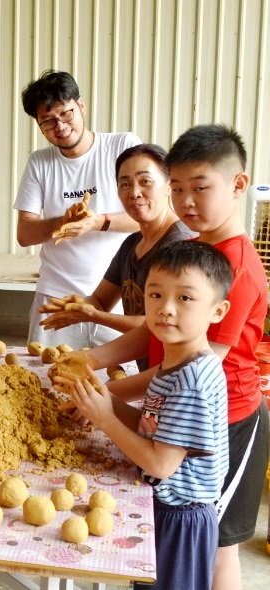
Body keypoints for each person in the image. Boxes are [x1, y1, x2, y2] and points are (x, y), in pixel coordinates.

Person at [64, 125, 270, 590]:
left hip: (227, 421)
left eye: (200, 188)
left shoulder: (234, 266)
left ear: (238, 185)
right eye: (177, 189)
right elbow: (154, 332)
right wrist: (91, 363)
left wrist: (107, 398)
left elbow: (189, 366)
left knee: (218, 547)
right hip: (173, 409)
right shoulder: (191, 250)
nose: (186, 202)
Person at [55, 240, 232, 590]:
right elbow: (155, 431)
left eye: (185, 298)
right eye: (155, 295)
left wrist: (105, 417)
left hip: (180, 518)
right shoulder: (176, 363)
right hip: (166, 509)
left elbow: (161, 464)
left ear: (218, 311)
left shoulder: (191, 380)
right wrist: (101, 398)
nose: (166, 309)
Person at [14, 69, 141, 348]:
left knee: (119, 383)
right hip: (56, 297)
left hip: (117, 297)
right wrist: (65, 221)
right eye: (47, 121)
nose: (59, 126)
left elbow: (149, 215)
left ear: (81, 106)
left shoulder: (123, 146)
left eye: (65, 113)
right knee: (42, 381)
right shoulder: (40, 162)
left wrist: (98, 222)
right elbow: (24, 234)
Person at [39, 144, 196, 369]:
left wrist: (92, 316)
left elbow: (163, 324)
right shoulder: (132, 243)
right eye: (125, 184)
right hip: (151, 373)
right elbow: (101, 300)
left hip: (178, 377)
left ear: (169, 186)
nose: (134, 193)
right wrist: (75, 306)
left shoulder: (181, 244)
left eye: (145, 181)